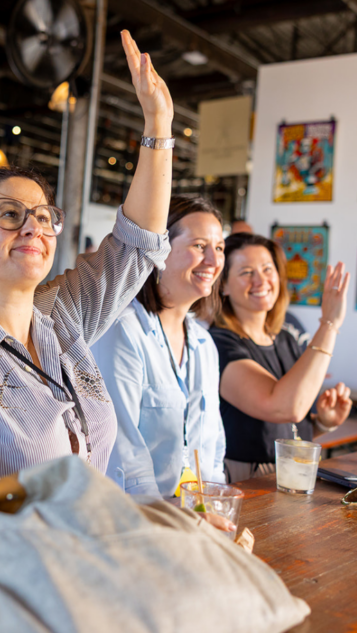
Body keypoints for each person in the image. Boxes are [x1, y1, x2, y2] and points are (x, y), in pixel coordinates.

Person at [0, 30, 173, 539]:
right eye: (9, 214)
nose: (32, 228)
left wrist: (159, 125)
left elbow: (137, 244)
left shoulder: (62, 320)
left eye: (44, 217)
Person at [91, 196, 227, 498]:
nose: (214, 261)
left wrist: (213, 504)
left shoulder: (204, 343)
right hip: (139, 519)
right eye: (199, 246)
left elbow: (213, 445)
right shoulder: (123, 330)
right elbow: (123, 452)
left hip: (194, 514)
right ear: (160, 251)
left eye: (219, 248)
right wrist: (169, 519)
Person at [207, 233, 353, 482]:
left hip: (294, 470)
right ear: (223, 285)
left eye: (267, 269)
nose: (261, 280)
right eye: (246, 272)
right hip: (246, 479)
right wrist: (329, 324)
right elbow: (285, 406)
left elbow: (285, 427)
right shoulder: (219, 344)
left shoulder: (286, 339)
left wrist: (322, 425)